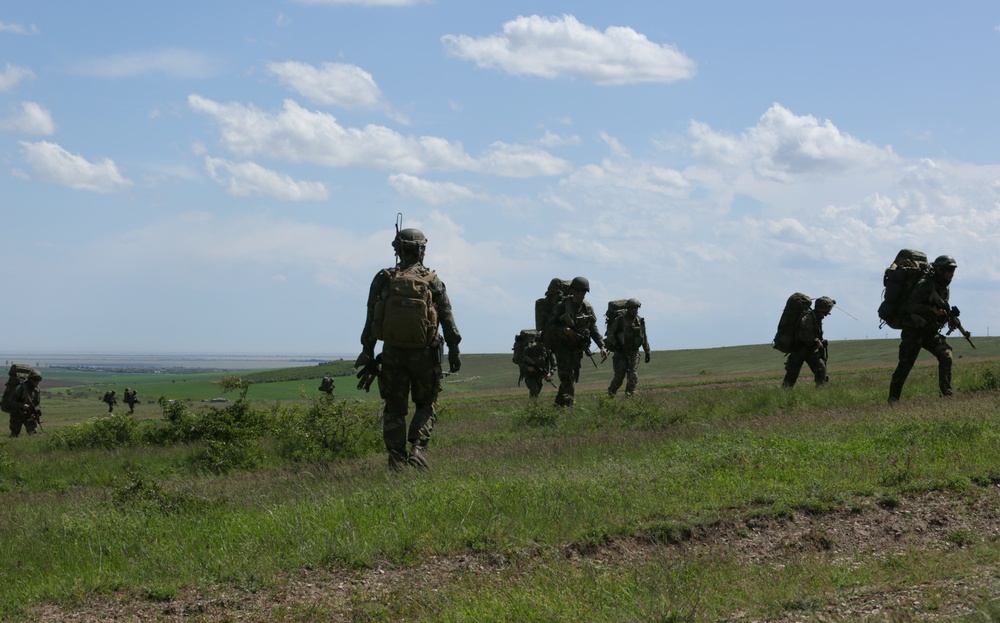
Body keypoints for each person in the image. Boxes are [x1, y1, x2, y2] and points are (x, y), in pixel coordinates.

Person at [356, 227, 462, 470]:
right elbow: (448, 320)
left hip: (393, 353)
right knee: (426, 403)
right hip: (426, 354)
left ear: (397, 249)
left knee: (394, 407)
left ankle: (395, 457)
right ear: (422, 250)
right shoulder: (432, 280)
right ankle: (417, 449)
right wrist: (454, 352)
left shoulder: (383, 278)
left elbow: (371, 318)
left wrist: (368, 350)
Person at [889, 255, 958, 403]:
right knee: (905, 366)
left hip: (930, 332)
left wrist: (948, 318)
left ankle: (946, 395)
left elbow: (941, 308)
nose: (951, 273)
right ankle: (893, 401)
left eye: (953, 270)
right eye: (948, 269)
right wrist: (930, 309)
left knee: (946, 355)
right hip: (914, 331)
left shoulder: (944, 288)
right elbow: (909, 306)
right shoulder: (924, 284)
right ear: (939, 270)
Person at [544, 276, 608, 407]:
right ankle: (570, 409)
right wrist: (563, 330)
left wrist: (602, 346)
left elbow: (593, 329)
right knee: (567, 378)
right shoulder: (562, 306)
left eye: (583, 291)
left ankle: (557, 407)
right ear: (572, 290)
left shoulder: (587, 308)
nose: (580, 294)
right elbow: (548, 327)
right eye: (578, 291)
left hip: (577, 349)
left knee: (571, 379)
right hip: (562, 347)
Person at [781, 296, 834, 388]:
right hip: (800, 349)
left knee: (821, 370)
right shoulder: (808, 317)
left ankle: (820, 394)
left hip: (808, 350)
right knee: (791, 376)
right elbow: (804, 336)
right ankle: (783, 395)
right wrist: (817, 342)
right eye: (825, 312)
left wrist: (819, 342)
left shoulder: (816, 318)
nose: (825, 315)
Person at [606, 298, 651, 397]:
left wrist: (647, 352)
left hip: (633, 352)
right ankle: (610, 394)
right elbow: (610, 334)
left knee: (633, 375)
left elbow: (644, 336)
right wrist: (616, 345)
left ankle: (629, 396)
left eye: (636, 308)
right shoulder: (620, 320)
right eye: (632, 308)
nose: (634, 310)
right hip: (621, 352)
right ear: (628, 308)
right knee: (619, 377)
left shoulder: (640, 320)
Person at [9, 369, 42, 437]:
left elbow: (37, 403)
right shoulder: (21, 388)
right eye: (35, 379)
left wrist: (36, 410)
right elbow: (11, 401)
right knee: (14, 435)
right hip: (17, 414)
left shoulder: (36, 389)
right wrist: (22, 405)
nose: (37, 382)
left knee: (33, 434)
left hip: (29, 414)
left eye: (39, 380)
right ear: (30, 379)